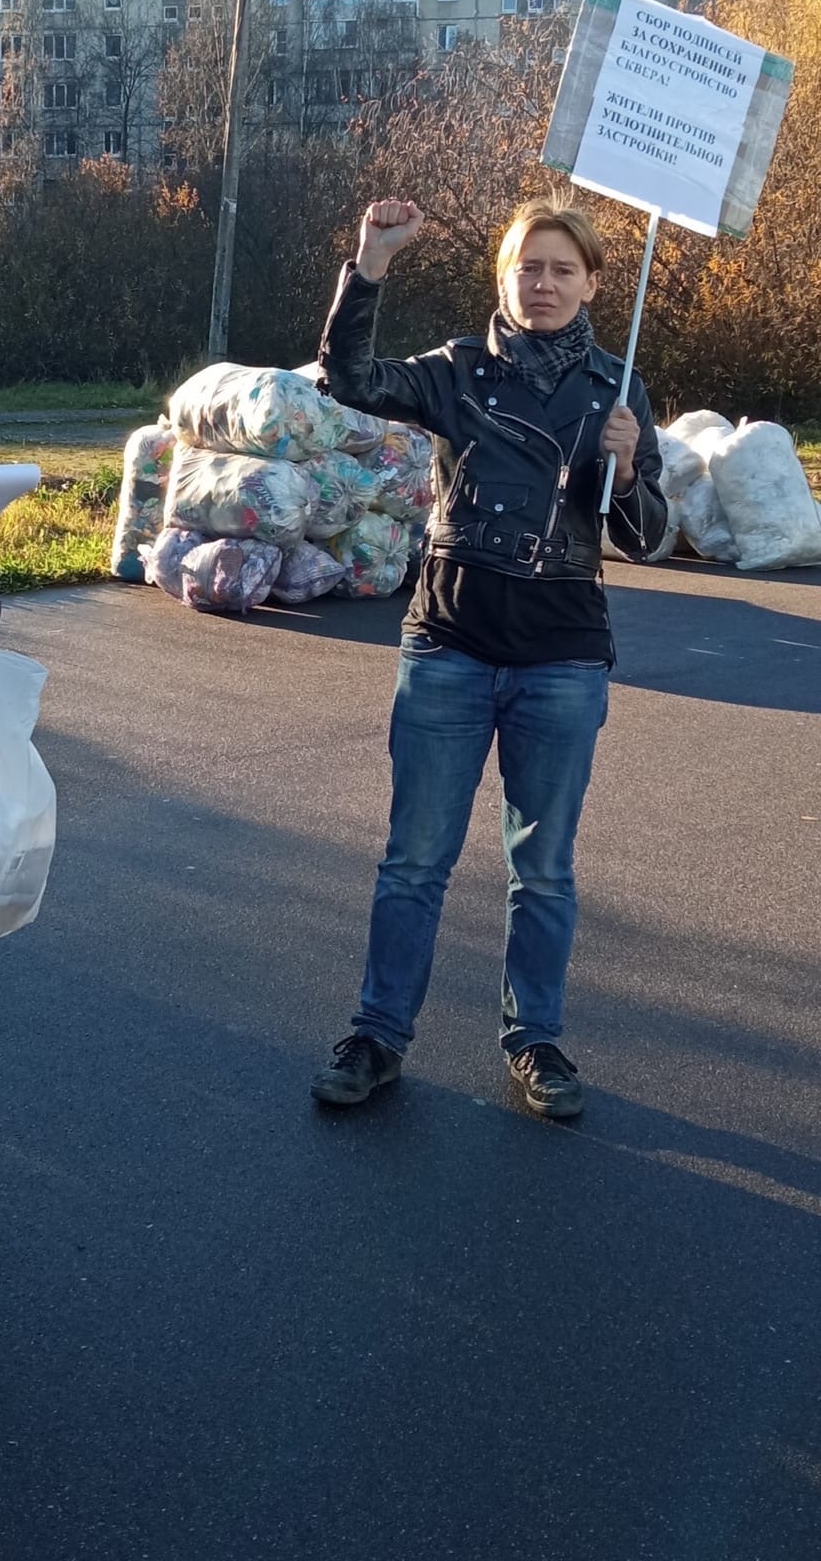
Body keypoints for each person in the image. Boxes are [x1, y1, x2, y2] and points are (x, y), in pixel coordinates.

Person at [310, 197, 668, 1120]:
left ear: (591, 283)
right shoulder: (455, 374)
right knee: (414, 862)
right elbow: (346, 378)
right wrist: (371, 265)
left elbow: (648, 537)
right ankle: (379, 1035)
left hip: (563, 658)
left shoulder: (616, 389)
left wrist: (627, 472)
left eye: (561, 270)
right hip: (450, 646)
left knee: (543, 869)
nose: (542, 285)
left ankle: (535, 1041)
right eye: (527, 268)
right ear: (503, 278)